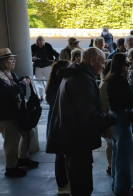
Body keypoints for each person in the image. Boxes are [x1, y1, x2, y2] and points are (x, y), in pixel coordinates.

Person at [46, 47, 117, 196]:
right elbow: (89, 115)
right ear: (92, 61)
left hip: (72, 139)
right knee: (82, 184)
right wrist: (112, 118)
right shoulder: (82, 80)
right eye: (102, 63)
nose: (104, 67)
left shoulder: (75, 75)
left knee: (77, 179)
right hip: (77, 140)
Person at [0, 48, 38, 177]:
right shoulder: (0, 76)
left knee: (28, 132)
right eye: (11, 59)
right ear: (3, 62)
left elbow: (15, 86)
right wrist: (23, 83)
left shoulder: (9, 73)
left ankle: (22, 158)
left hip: (15, 113)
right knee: (11, 142)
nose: (14, 61)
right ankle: (10, 168)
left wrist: (22, 80)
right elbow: (10, 91)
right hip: (5, 115)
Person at [106, 54, 133, 195]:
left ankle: (116, 183)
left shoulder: (112, 79)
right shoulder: (119, 80)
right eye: (126, 63)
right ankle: (123, 187)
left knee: (117, 153)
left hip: (114, 116)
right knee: (125, 156)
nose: (128, 66)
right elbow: (129, 97)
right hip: (121, 117)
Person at [45, 60, 71, 194]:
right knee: (62, 157)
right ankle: (63, 185)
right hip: (59, 125)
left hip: (54, 125)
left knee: (60, 156)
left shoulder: (53, 86)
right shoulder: (61, 87)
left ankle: (63, 185)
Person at [31, 36, 59, 102]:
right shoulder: (33, 47)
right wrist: (33, 58)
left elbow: (57, 54)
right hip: (38, 67)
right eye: (39, 40)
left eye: (42, 40)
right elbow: (29, 55)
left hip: (47, 66)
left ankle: (49, 96)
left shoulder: (48, 46)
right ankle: (41, 97)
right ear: (37, 41)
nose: (41, 42)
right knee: (39, 82)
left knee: (49, 82)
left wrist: (55, 61)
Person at [99, 60, 114, 176]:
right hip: (109, 120)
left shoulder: (105, 83)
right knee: (110, 144)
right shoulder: (106, 85)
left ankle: (111, 165)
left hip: (108, 120)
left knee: (110, 145)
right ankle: (110, 165)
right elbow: (105, 105)